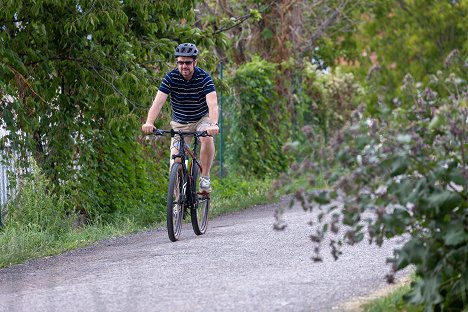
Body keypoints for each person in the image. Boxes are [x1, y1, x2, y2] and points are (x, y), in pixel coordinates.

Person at [141, 43, 219, 193]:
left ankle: (205, 178)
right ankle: (177, 204)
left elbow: (213, 104)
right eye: (181, 62)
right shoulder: (170, 78)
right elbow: (157, 103)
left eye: (188, 62)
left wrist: (213, 124)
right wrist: (149, 122)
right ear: (177, 63)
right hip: (179, 124)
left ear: (195, 63)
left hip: (201, 120)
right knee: (176, 162)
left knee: (207, 137)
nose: (184, 66)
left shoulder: (204, 78)